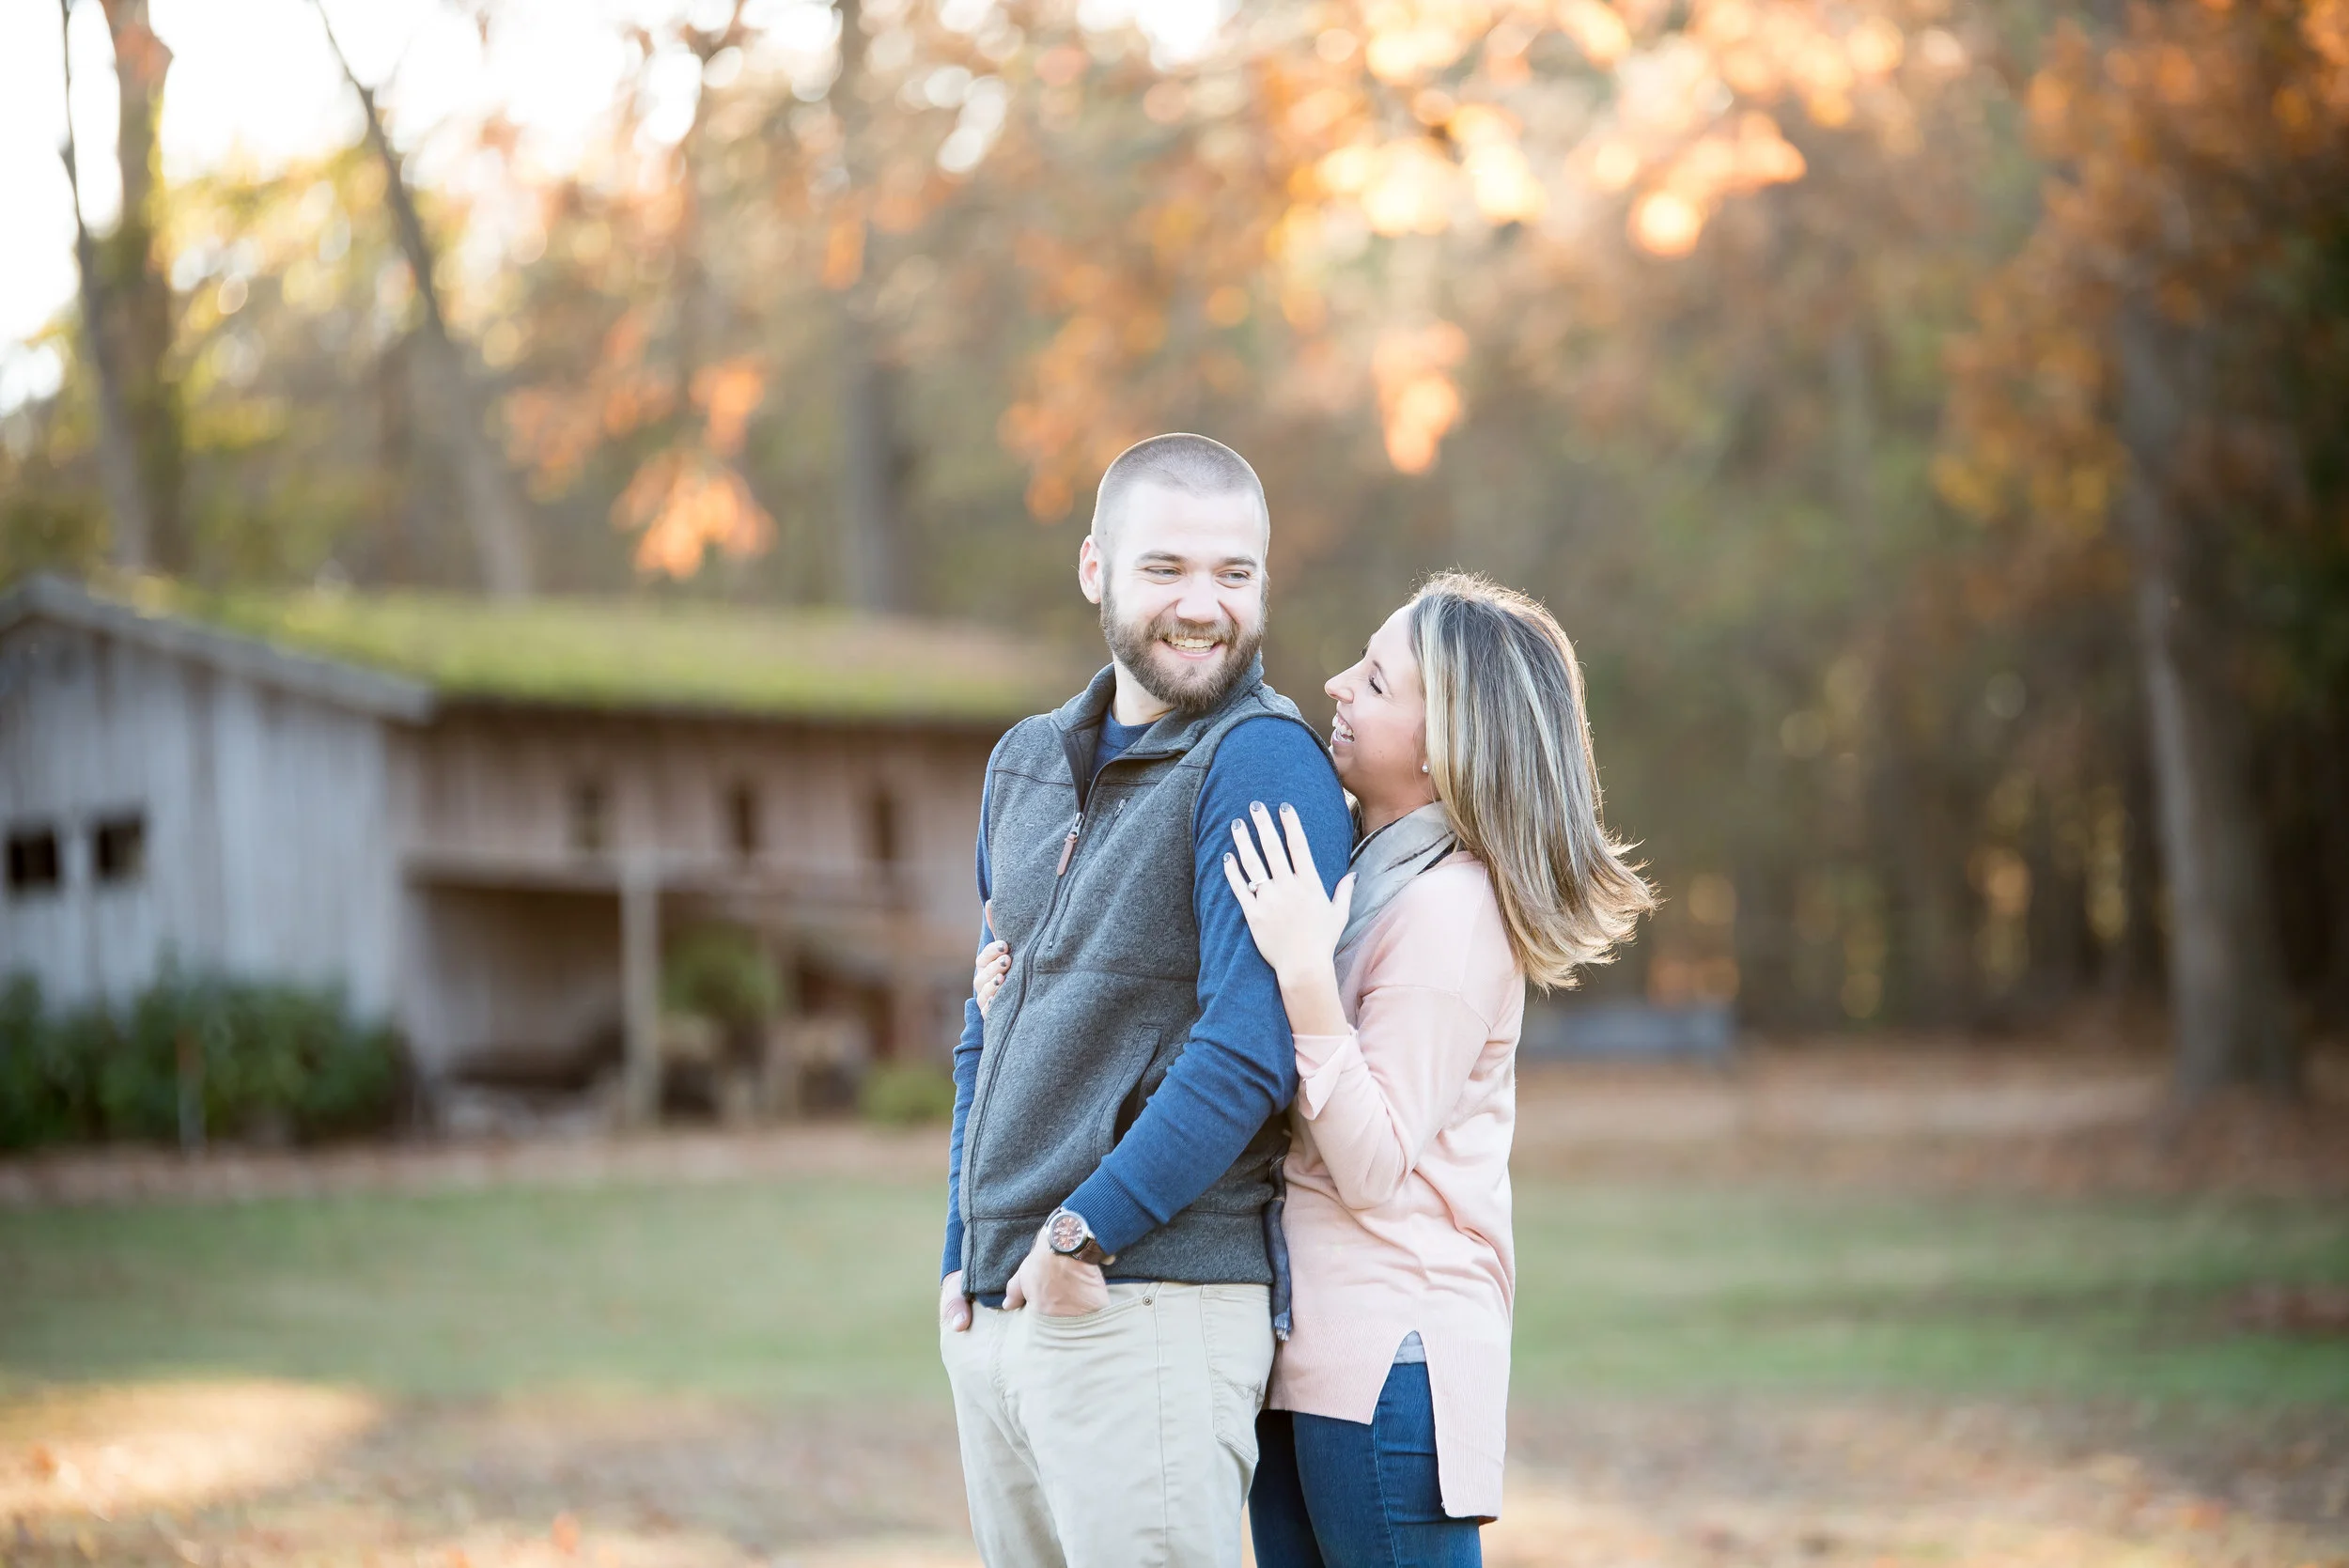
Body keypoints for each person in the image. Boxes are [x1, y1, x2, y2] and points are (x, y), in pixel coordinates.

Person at [940, 432, 1352, 1568]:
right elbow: (988, 1027)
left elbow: (1247, 1052)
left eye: (1235, 573)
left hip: (1148, 1305)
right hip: (998, 1312)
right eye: (1166, 568)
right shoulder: (1023, 762)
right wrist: (955, 1255)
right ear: (1095, 570)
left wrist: (1082, 1233)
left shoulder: (1262, 763)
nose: (1203, 606)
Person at [1221, 573, 1654, 1565]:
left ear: (1439, 741)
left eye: (1373, 681)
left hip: (1385, 1373)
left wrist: (1300, 971)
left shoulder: (1452, 914)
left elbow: (1373, 1164)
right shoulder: (1374, 876)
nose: (1333, 683)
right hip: (1308, 1365)